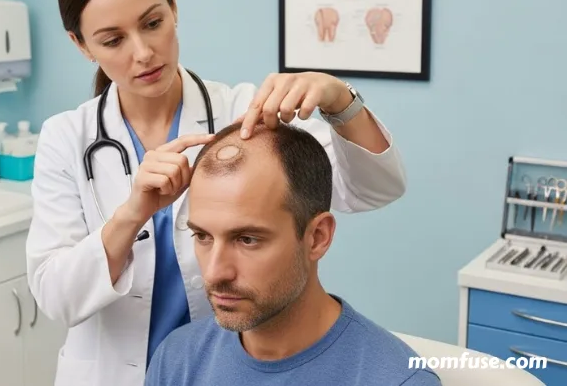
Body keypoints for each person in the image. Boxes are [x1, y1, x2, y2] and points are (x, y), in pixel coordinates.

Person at [25, 0, 408, 386]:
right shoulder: (67, 138)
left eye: (152, 23)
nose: (143, 53)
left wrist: (340, 99)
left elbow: (374, 189)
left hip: (214, 370)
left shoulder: (245, 116)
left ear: (173, 6)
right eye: (113, 40)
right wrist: (131, 215)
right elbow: (56, 297)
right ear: (81, 44)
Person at [145, 121, 440, 386]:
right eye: (202, 236)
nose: (214, 272)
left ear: (317, 237)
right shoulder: (177, 358)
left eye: (247, 239)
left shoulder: (399, 381)